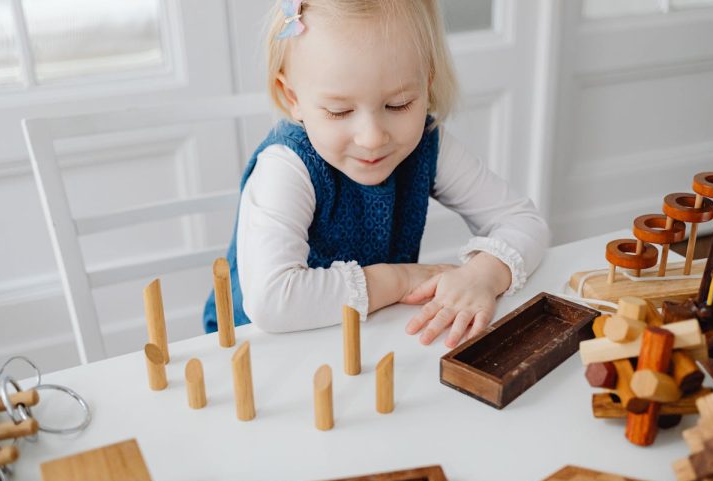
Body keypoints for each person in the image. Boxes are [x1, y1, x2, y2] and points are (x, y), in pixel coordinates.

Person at [203, 0, 549, 348]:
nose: (372, 138)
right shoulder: (286, 166)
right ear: (291, 96)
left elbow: (523, 220)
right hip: (259, 352)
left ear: (426, 85)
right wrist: (401, 280)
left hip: (366, 338)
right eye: (339, 111)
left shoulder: (427, 143)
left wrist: (483, 275)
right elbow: (272, 301)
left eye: (398, 105)